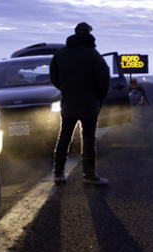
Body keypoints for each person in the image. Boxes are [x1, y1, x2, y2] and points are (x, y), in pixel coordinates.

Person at [50, 22, 110, 186]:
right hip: (89, 104)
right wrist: (99, 99)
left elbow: (54, 77)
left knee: (64, 136)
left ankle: (58, 173)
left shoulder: (61, 54)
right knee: (89, 138)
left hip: (68, 103)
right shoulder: (93, 55)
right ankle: (89, 175)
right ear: (89, 34)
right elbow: (104, 80)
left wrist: (66, 89)